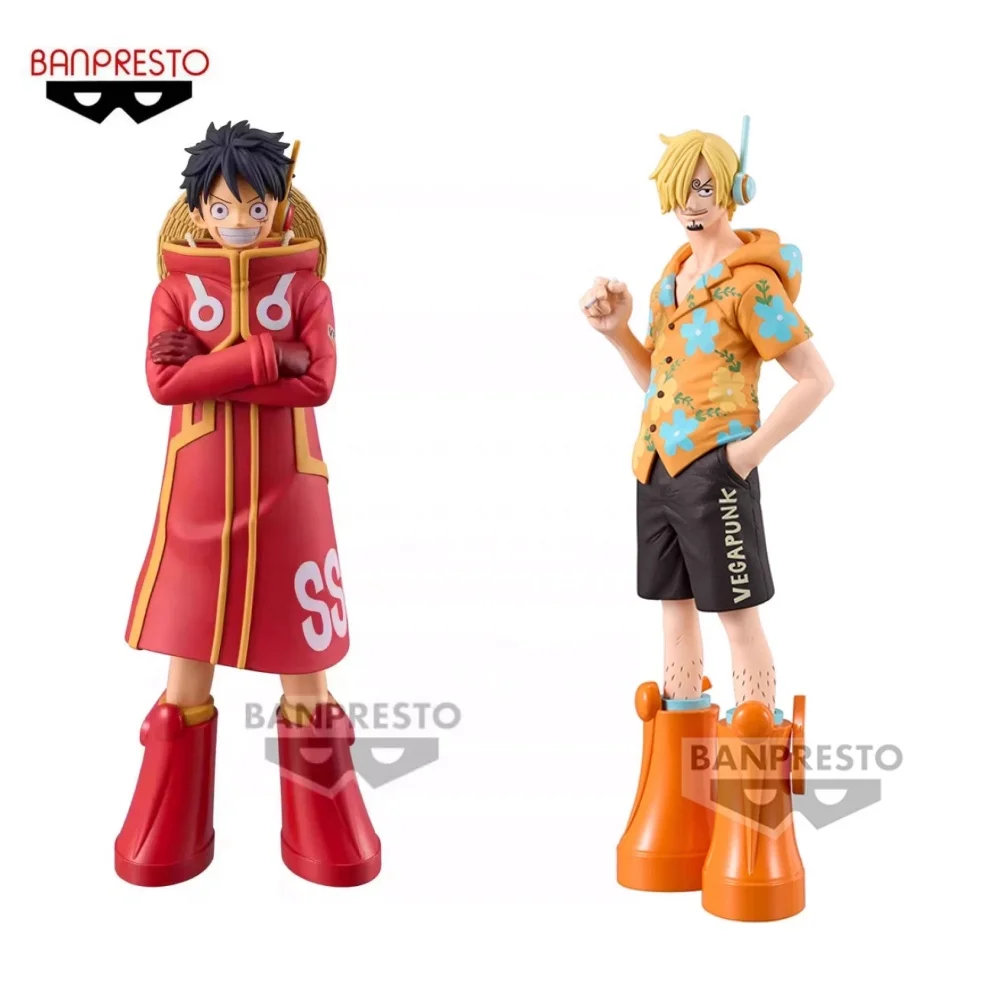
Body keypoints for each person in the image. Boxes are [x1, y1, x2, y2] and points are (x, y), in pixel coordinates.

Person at [115, 121, 380, 888]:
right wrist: (267, 355)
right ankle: (168, 821)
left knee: (303, 657)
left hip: (289, 489)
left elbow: (317, 383)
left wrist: (211, 367)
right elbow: (163, 384)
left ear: (280, 208)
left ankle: (324, 823)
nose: (239, 222)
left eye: (255, 208)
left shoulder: (307, 289)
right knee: (188, 648)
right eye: (224, 207)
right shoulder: (174, 290)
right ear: (198, 209)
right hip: (197, 491)